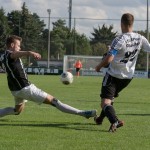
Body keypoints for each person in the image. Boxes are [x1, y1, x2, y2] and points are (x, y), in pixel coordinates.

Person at [0, 35, 96, 120]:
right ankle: (82, 113)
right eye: (18, 45)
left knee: (17, 111)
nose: (20, 47)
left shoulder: (2, 56)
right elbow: (14, 54)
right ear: (12, 45)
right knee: (55, 102)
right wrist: (30, 52)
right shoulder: (10, 55)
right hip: (25, 88)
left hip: (15, 90)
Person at [94, 13, 150, 132]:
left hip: (113, 75)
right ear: (132, 23)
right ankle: (99, 119)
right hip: (128, 77)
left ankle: (115, 121)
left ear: (121, 23)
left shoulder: (119, 39)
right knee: (110, 99)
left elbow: (109, 59)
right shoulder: (140, 38)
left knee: (105, 103)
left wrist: (98, 66)